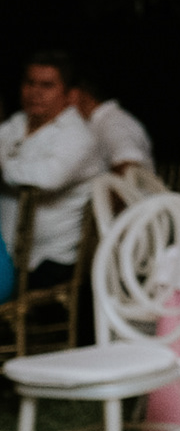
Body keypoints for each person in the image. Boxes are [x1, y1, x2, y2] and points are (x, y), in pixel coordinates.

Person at [1, 50, 110, 288]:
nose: (35, 92)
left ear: (69, 94)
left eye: (47, 85)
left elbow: (46, 178)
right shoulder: (17, 124)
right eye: (30, 83)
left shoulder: (78, 136)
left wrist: (4, 165)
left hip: (45, 261)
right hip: (7, 253)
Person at [70, 74, 154, 175]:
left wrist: (100, 184)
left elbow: (130, 166)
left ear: (76, 94)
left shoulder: (113, 123)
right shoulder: (99, 122)